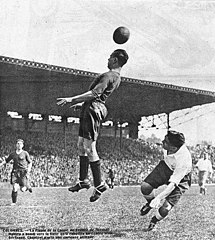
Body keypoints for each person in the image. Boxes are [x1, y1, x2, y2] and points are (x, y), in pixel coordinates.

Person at [57, 49, 129, 202]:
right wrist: (83, 104)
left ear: (115, 60)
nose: (107, 59)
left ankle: (99, 183)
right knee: (81, 145)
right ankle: (83, 180)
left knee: (90, 148)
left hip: (92, 110)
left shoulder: (109, 75)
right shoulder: (117, 77)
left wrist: (72, 99)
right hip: (89, 108)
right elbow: (100, 96)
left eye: (110, 57)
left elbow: (95, 94)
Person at [140, 130, 192, 231]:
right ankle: (150, 204)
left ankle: (154, 220)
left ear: (173, 148)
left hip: (181, 178)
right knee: (145, 187)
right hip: (166, 167)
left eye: (166, 141)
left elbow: (173, 184)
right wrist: (154, 200)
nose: (162, 141)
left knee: (165, 209)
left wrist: (159, 198)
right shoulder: (171, 145)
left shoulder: (183, 161)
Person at [0, 139, 32, 206]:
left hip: (23, 172)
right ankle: (14, 202)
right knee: (14, 187)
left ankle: (27, 186)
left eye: (20, 144)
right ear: (16, 145)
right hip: (15, 172)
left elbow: (30, 162)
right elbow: (6, 160)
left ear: (23, 145)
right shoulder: (13, 154)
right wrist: (1, 164)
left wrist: (29, 169)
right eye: (18, 143)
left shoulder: (25, 153)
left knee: (22, 189)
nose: (19, 145)